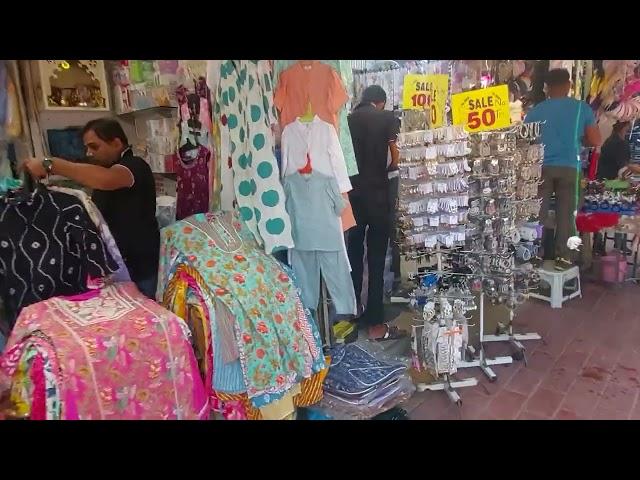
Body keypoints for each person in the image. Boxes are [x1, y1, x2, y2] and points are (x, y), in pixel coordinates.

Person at [22, 118, 160, 298]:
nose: (89, 153)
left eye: (94, 147)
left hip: (139, 266)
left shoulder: (135, 165)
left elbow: (106, 179)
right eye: (87, 147)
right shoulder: (106, 168)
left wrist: (51, 164)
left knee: (143, 316)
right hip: (117, 264)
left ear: (116, 143)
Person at [525, 69, 601, 270]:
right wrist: (578, 139)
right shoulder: (581, 109)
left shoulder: (536, 111)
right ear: (568, 85)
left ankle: (532, 255)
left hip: (541, 168)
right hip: (569, 167)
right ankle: (564, 259)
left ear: (547, 88)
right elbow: (595, 140)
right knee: (567, 216)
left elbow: (526, 142)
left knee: (536, 214)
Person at [347, 85, 402, 339]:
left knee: (354, 255)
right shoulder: (387, 118)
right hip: (378, 197)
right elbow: (395, 157)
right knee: (377, 259)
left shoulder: (347, 121)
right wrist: (387, 167)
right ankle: (375, 322)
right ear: (380, 102)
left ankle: (353, 311)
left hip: (352, 197)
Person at [594, 121, 638, 254]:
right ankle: (620, 243)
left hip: (602, 182)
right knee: (621, 213)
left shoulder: (608, 141)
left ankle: (599, 242)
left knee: (602, 213)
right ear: (624, 128)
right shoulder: (621, 144)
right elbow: (623, 169)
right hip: (615, 184)